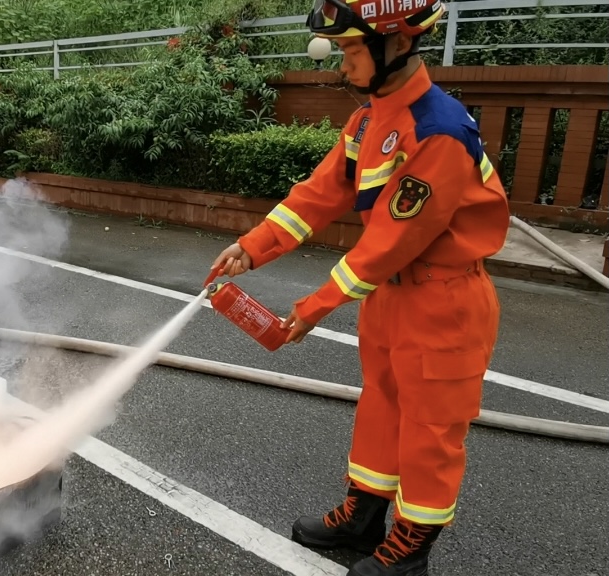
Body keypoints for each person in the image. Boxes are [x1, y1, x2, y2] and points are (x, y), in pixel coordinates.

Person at [210, 0, 511, 574]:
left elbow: (392, 241)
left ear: (396, 45)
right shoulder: (371, 119)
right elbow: (320, 195)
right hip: (391, 297)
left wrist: (314, 306)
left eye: (351, 50)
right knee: (382, 409)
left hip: (443, 301)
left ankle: (410, 548)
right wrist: (252, 246)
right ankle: (364, 516)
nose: (342, 64)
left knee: (430, 430)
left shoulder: (438, 130)